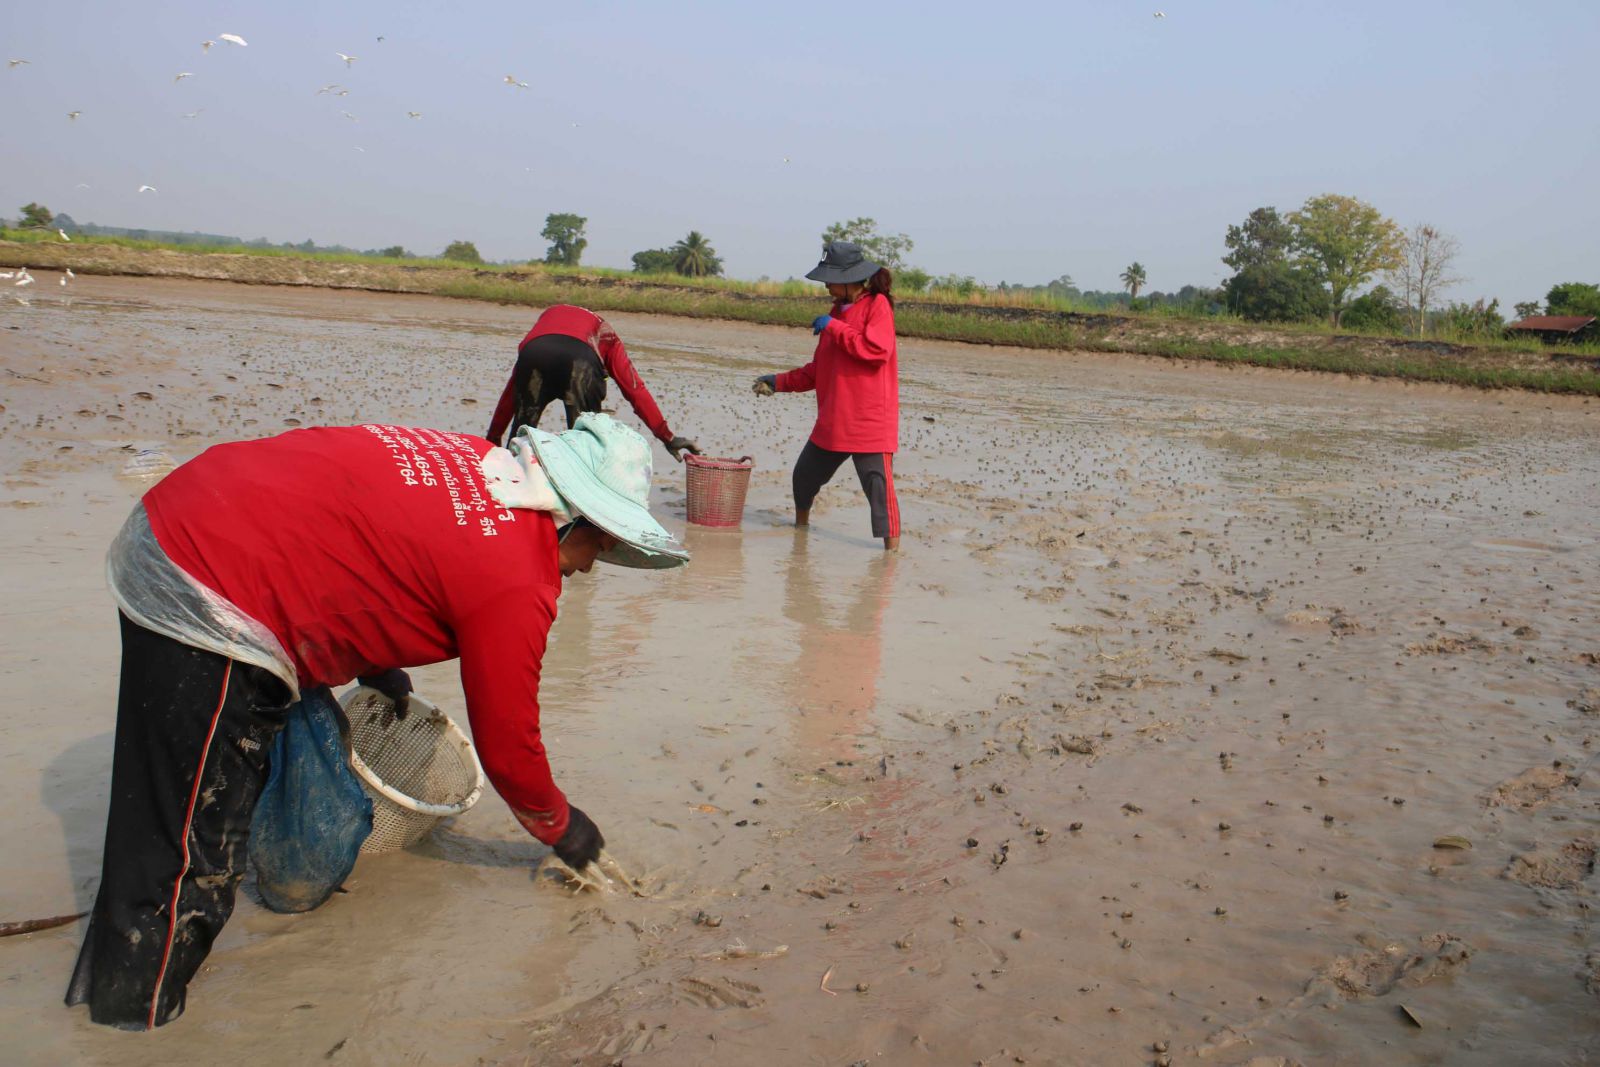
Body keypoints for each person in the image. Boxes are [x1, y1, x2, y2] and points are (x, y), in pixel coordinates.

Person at [66, 413, 686, 1030]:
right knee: (187, 853)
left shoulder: (479, 461)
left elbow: (370, 535)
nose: (590, 566)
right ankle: (130, 1023)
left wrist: (377, 666)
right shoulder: (518, 575)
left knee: (160, 814)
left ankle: (107, 991)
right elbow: (507, 742)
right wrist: (561, 825)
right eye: (601, 545)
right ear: (574, 515)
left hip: (186, 510)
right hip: (208, 580)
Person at [752, 241, 901, 550]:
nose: (826, 287)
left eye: (830, 280)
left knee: (879, 494)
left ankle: (891, 559)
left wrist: (833, 327)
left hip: (869, 423)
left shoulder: (877, 306)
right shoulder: (836, 313)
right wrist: (778, 382)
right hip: (834, 420)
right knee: (803, 478)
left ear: (849, 280)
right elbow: (818, 371)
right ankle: (801, 533)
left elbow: (875, 351)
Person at [485, 303, 701, 462]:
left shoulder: (550, 316)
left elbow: (510, 395)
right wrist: (667, 437)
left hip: (534, 352)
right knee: (584, 445)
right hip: (581, 364)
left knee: (520, 438)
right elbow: (635, 390)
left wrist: (492, 439)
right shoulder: (607, 334)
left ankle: (507, 480)